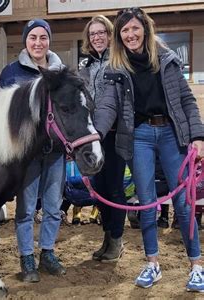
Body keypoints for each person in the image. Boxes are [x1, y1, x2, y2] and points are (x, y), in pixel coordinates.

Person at [94, 7, 204, 291]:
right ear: (119, 36)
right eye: (124, 30)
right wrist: (96, 133)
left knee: (183, 202)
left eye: (134, 28)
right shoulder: (115, 68)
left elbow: (187, 100)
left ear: (145, 28)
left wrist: (198, 136)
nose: (130, 34)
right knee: (146, 202)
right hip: (139, 137)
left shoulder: (167, 60)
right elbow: (107, 105)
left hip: (171, 134)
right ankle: (152, 262)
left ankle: (196, 265)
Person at [0, 19, 66, 283]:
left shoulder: (60, 73)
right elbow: (2, 112)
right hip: (26, 156)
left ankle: (47, 252)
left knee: (53, 206)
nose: (38, 43)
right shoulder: (11, 72)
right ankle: (27, 256)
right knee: (25, 209)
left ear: (49, 41)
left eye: (43, 38)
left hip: (56, 152)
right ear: (26, 41)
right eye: (33, 38)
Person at [79, 15, 127, 262]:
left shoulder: (119, 61)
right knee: (98, 188)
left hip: (115, 134)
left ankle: (117, 239)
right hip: (93, 136)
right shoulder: (85, 66)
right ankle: (107, 235)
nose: (97, 37)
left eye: (101, 33)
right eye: (92, 34)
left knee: (115, 188)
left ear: (109, 35)